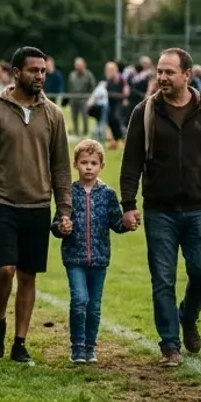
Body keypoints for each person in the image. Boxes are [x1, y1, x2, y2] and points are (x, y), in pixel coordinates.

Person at [119, 48, 201, 367]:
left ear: (187, 75)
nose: (162, 77)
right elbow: (131, 163)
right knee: (163, 279)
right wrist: (128, 205)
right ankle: (169, 345)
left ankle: (187, 316)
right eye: (159, 71)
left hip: (199, 209)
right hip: (159, 211)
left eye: (169, 72)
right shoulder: (144, 111)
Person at [0, 46, 72, 364]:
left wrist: (64, 208)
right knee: (5, 269)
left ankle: (20, 342)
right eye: (33, 71)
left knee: (28, 276)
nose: (40, 76)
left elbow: (61, 166)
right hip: (2, 201)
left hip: (38, 204)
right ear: (16, 73)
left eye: (43, 71)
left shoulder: (53, 114)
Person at [54, 139, 127, 364]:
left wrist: (128, 223)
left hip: (99, 259)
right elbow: (56, 224)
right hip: (74, 258)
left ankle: (90, 347)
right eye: (84, 162)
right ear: (75, 164)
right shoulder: (68, 194)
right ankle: (77, 346)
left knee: (94, 306)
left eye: (93, 163)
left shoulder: (108, 194)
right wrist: (62, 227)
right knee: (79, 300)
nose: (88, 167)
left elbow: (117, 223)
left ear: (101, 166)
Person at [66, 58, 96, 138]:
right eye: (77, 65)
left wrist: (89, 98)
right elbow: (70, 86)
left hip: (84, 99)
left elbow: (92, 87)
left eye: (79, 65)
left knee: (85, 116)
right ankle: (75, 132)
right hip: (74, 99)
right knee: (74, 116)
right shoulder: (72, 75)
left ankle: (85, 132)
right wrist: (70, 98)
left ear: (84, 65)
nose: (78, 67)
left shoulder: (89, 75)